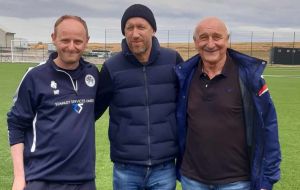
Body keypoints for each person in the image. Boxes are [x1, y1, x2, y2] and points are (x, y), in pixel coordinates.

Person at [175, 17, 281, 190]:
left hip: (237, 182)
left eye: (217, 37)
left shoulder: (249, 79)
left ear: (227, 39)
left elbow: (268, 124)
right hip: (192, 180)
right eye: (203, 37)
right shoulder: (184, 77)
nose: (210, 44)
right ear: (195, 42)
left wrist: (268, 178)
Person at [96, 4, 183, 190]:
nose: (135, 34)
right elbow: (91, 111)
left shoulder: (173, 61)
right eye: (129, 28)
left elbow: (190, 102)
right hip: (126, 168)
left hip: (164, 166)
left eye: (141, 27)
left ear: (153, 29)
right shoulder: (111, 67)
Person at [7, 15, 99, 190]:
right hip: (42, 178)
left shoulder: (92, 74)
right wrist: (19, 177)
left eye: (78, 41)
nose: (71, 47)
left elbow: (92, 112)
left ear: (87, 41)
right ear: (53, 39)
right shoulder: (35, 77)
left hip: (84, 180)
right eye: (65, 40)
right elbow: (16, 125)